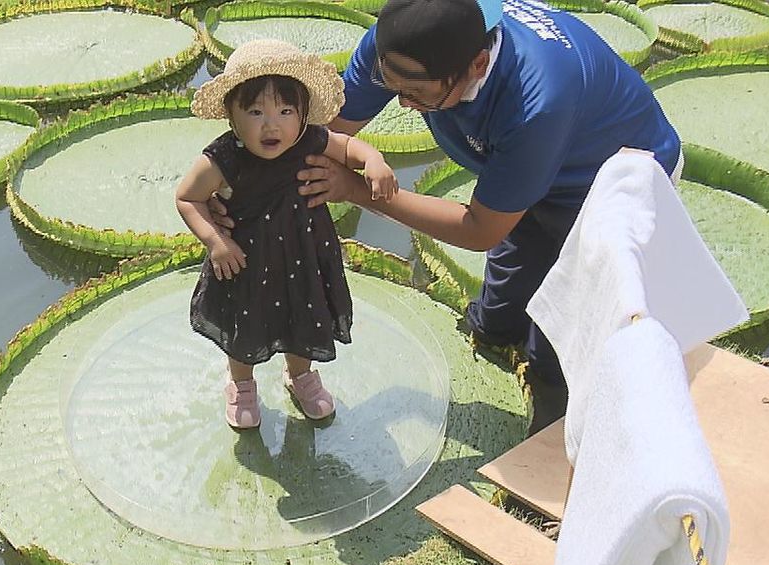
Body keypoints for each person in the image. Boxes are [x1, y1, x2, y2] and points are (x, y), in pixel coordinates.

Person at [214, 0, 682, 434]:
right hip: (519, 169)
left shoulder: (536, 101)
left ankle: (553, 437)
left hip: (609, 182)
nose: (401, 104)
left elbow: (480, 229)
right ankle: (497, 332)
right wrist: (240, 188)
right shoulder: (401, 43)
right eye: (392, 86)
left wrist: (357, 190)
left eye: (416, 95)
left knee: (556, 342)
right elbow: (316, 138)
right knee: (498, 316)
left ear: (477, 65)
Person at [176, 39, 398, 430]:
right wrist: (216, 241)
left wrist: (373, 160)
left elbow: (347, 146)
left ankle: (300, 376)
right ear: (232, 116)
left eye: (285, 110)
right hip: (245, 262)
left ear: (303, 115)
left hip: (305, 256)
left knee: (305, 316)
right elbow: (188, 198)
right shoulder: (224, 159)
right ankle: (241, 385)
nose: (271, 124)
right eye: (256, 111)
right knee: (243, 327)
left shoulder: (310, 140)